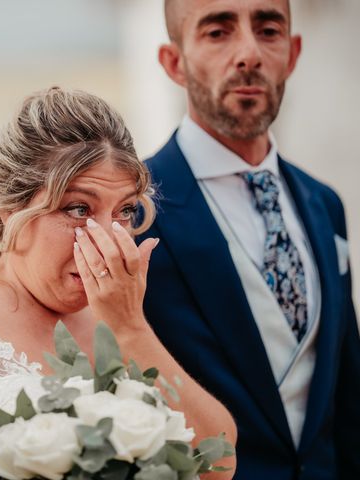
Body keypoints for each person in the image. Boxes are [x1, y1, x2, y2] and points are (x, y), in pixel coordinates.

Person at [0, 86, 237, 477]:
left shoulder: (121, 314)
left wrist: (130, 329)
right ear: (11, 211)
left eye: (123, 212)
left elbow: (218, 465)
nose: (106, 239)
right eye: (78, 209)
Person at [136, 1, 360, 478]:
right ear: (173, 63)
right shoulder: (133, 210)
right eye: (218, 32)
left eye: (268, 30)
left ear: (293, 54)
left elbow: (345, 391)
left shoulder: (325, 204)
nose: (249, 54)